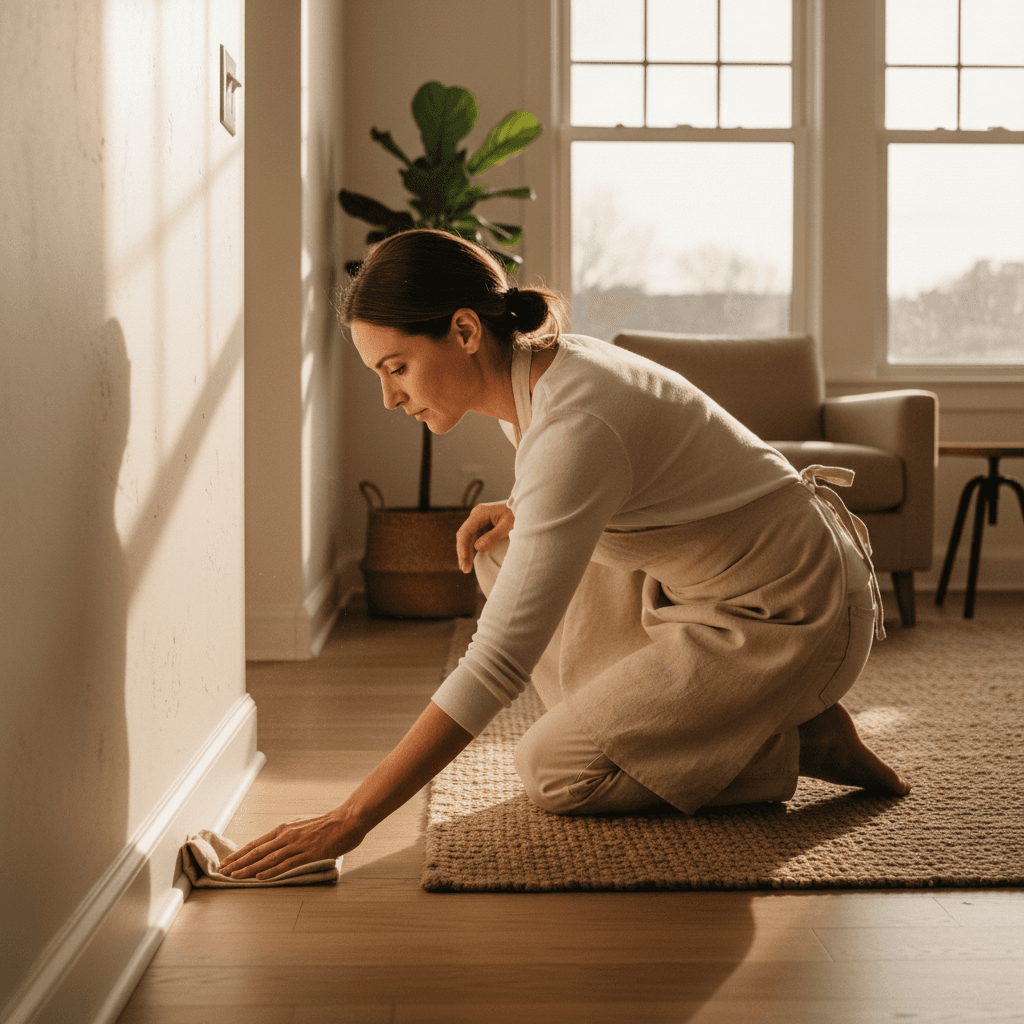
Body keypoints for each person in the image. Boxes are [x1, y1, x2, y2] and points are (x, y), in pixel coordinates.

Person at [220, 229, 910, 881]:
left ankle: (795, 741)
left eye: (396, 367)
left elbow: (497, 663)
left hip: (789, 611)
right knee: (499, 553)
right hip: (697, 584)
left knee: (556, 770)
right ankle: (690, 721)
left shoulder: (575, 418)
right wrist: (524, 511)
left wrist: (352, 818)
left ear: (463, 331)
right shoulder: (539, 379)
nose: (389, 396)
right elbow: (653, 483)